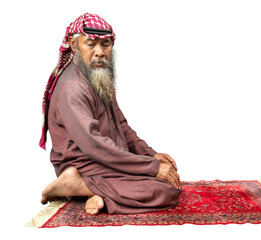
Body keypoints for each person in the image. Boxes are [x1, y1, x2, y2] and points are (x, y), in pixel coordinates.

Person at [39, 13, 181, 215]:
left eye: (105, 45)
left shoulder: (98, 75)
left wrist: (151, 154)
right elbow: (94, 145)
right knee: (164, 190)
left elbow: (122, 125)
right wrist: (152, 167)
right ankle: (74, 184)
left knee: (168, 178)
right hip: (85, 164)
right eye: (91, 44)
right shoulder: (72, 86)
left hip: (106, 159)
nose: (100, 52)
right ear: (73, 44)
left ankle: (91, 191)